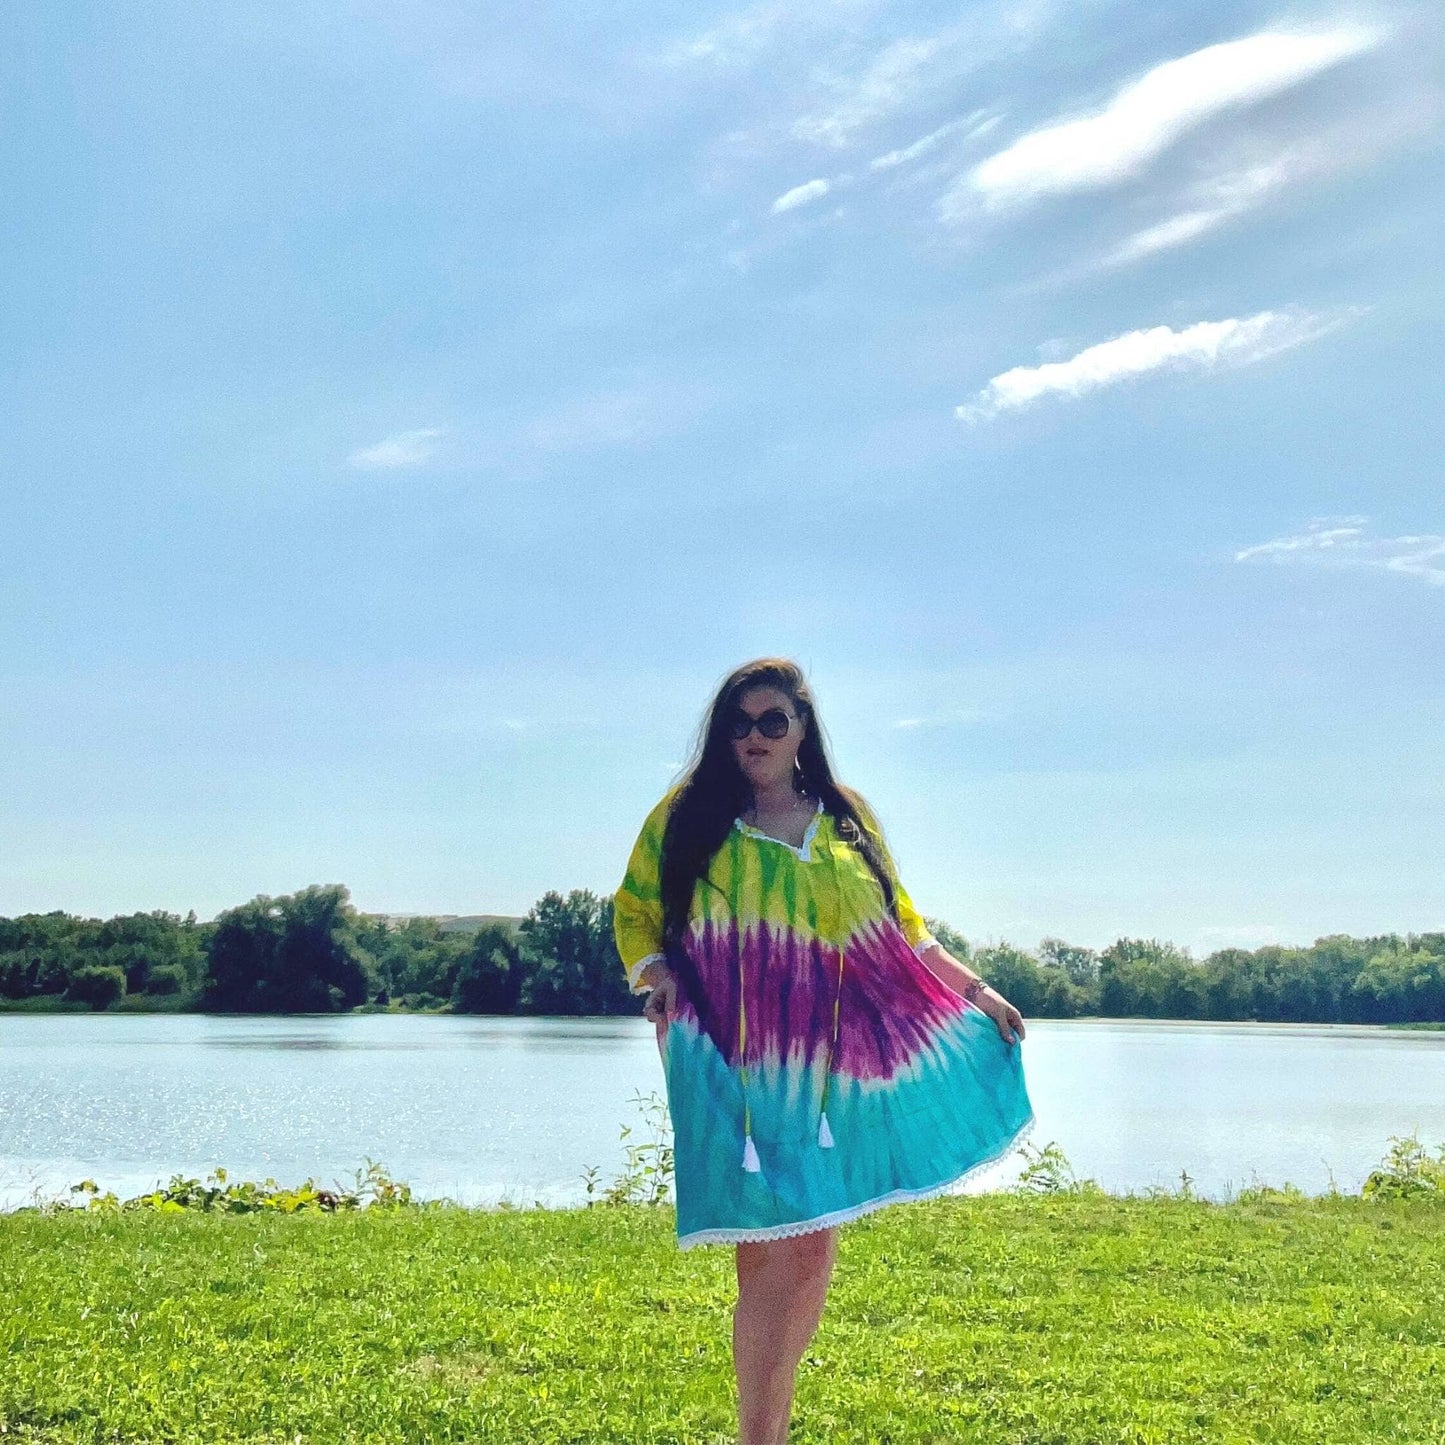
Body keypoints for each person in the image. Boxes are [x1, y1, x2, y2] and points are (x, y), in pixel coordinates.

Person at [612, 657, 1034, 1445]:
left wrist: (975, 992)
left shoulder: (845, 816)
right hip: (734, 1064)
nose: (754, 736)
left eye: (772, 720)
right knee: (772, 1246)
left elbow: (904, 932)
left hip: (834, 1069)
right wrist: (655, 974)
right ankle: (758, 1435)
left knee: (810, 1250)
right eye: (738, 723)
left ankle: (765, 1428)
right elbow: (635, 910)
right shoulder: (688, 815)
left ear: (802, 727)